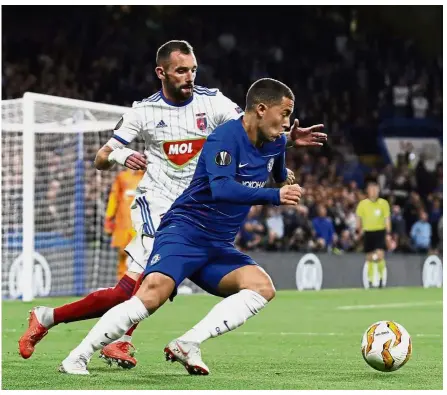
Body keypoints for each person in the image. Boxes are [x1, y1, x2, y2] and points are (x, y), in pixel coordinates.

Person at [18, 41, 327, 369]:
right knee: (147, 291)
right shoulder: (144, 112)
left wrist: (286, 141)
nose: (190, 76)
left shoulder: (213, 103)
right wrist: (125, 154)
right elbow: (101, 157)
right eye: (182, 70)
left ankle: (50, 318)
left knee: (130, 291)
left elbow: (252, 129)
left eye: (193, 69)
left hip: (205, 210)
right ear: (161, 73)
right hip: (163, 206)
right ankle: (108, 343)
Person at [104, 169, 144, 280]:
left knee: (142, 254)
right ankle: (122, 282)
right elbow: (114, 198)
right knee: (123, 253)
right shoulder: (121, 177)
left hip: (142, 224)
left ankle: (141, 283)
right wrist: (109, 218)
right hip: (123, 224)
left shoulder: (145, 176)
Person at [356, 181, 391, 288]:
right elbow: (359, 219)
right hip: (368, 232)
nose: (374, 192)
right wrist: (359, 230)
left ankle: (381, 279)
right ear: (368, 191)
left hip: (380, 231)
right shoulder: (362, 204)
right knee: (369, 257)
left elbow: (387, 219)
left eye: (376, 190)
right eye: (372, 190)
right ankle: (371, 280)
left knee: (380, 255)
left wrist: (388, 233)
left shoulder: (384, 203)